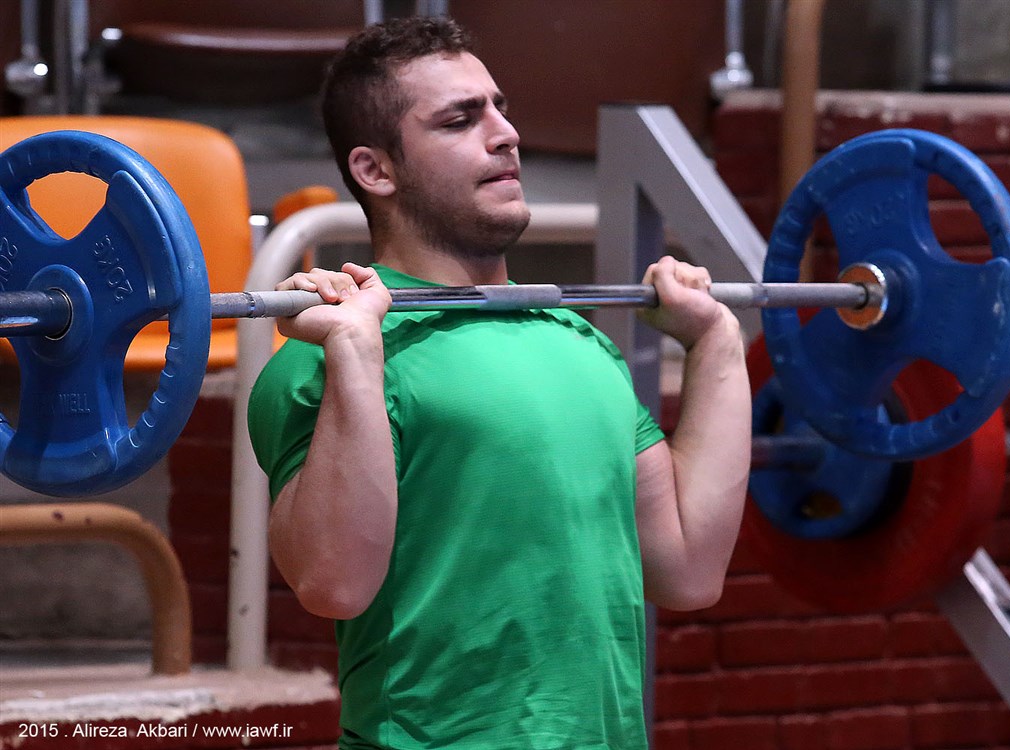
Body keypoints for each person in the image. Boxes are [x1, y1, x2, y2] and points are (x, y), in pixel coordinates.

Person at [247, 16, 750, 750]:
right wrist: (355, 350)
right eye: (460, 120)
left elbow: (689, 570)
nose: (505, 133)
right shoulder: (327, 354)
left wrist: (717, 342)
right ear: (375, 170)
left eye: (499, 108)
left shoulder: (580, 342)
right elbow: (333, 584)